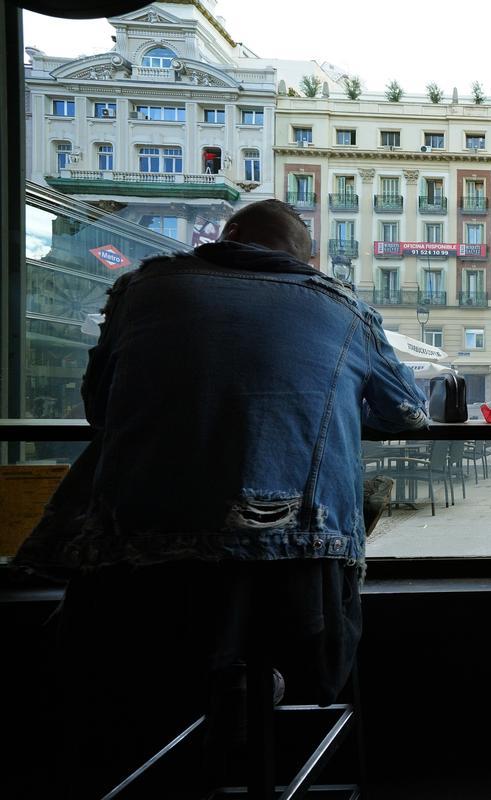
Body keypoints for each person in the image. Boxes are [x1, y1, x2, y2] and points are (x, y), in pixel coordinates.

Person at [17, 198, 429, 796]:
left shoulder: (142, 289)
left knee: (118, 685)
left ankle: (197, 710)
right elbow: (409, 415)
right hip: (295, 557)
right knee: (315, 639)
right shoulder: (341, 305)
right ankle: (261, 695)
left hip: (133, 551)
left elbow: (98, 406)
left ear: (224, 237)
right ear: (303, 257)